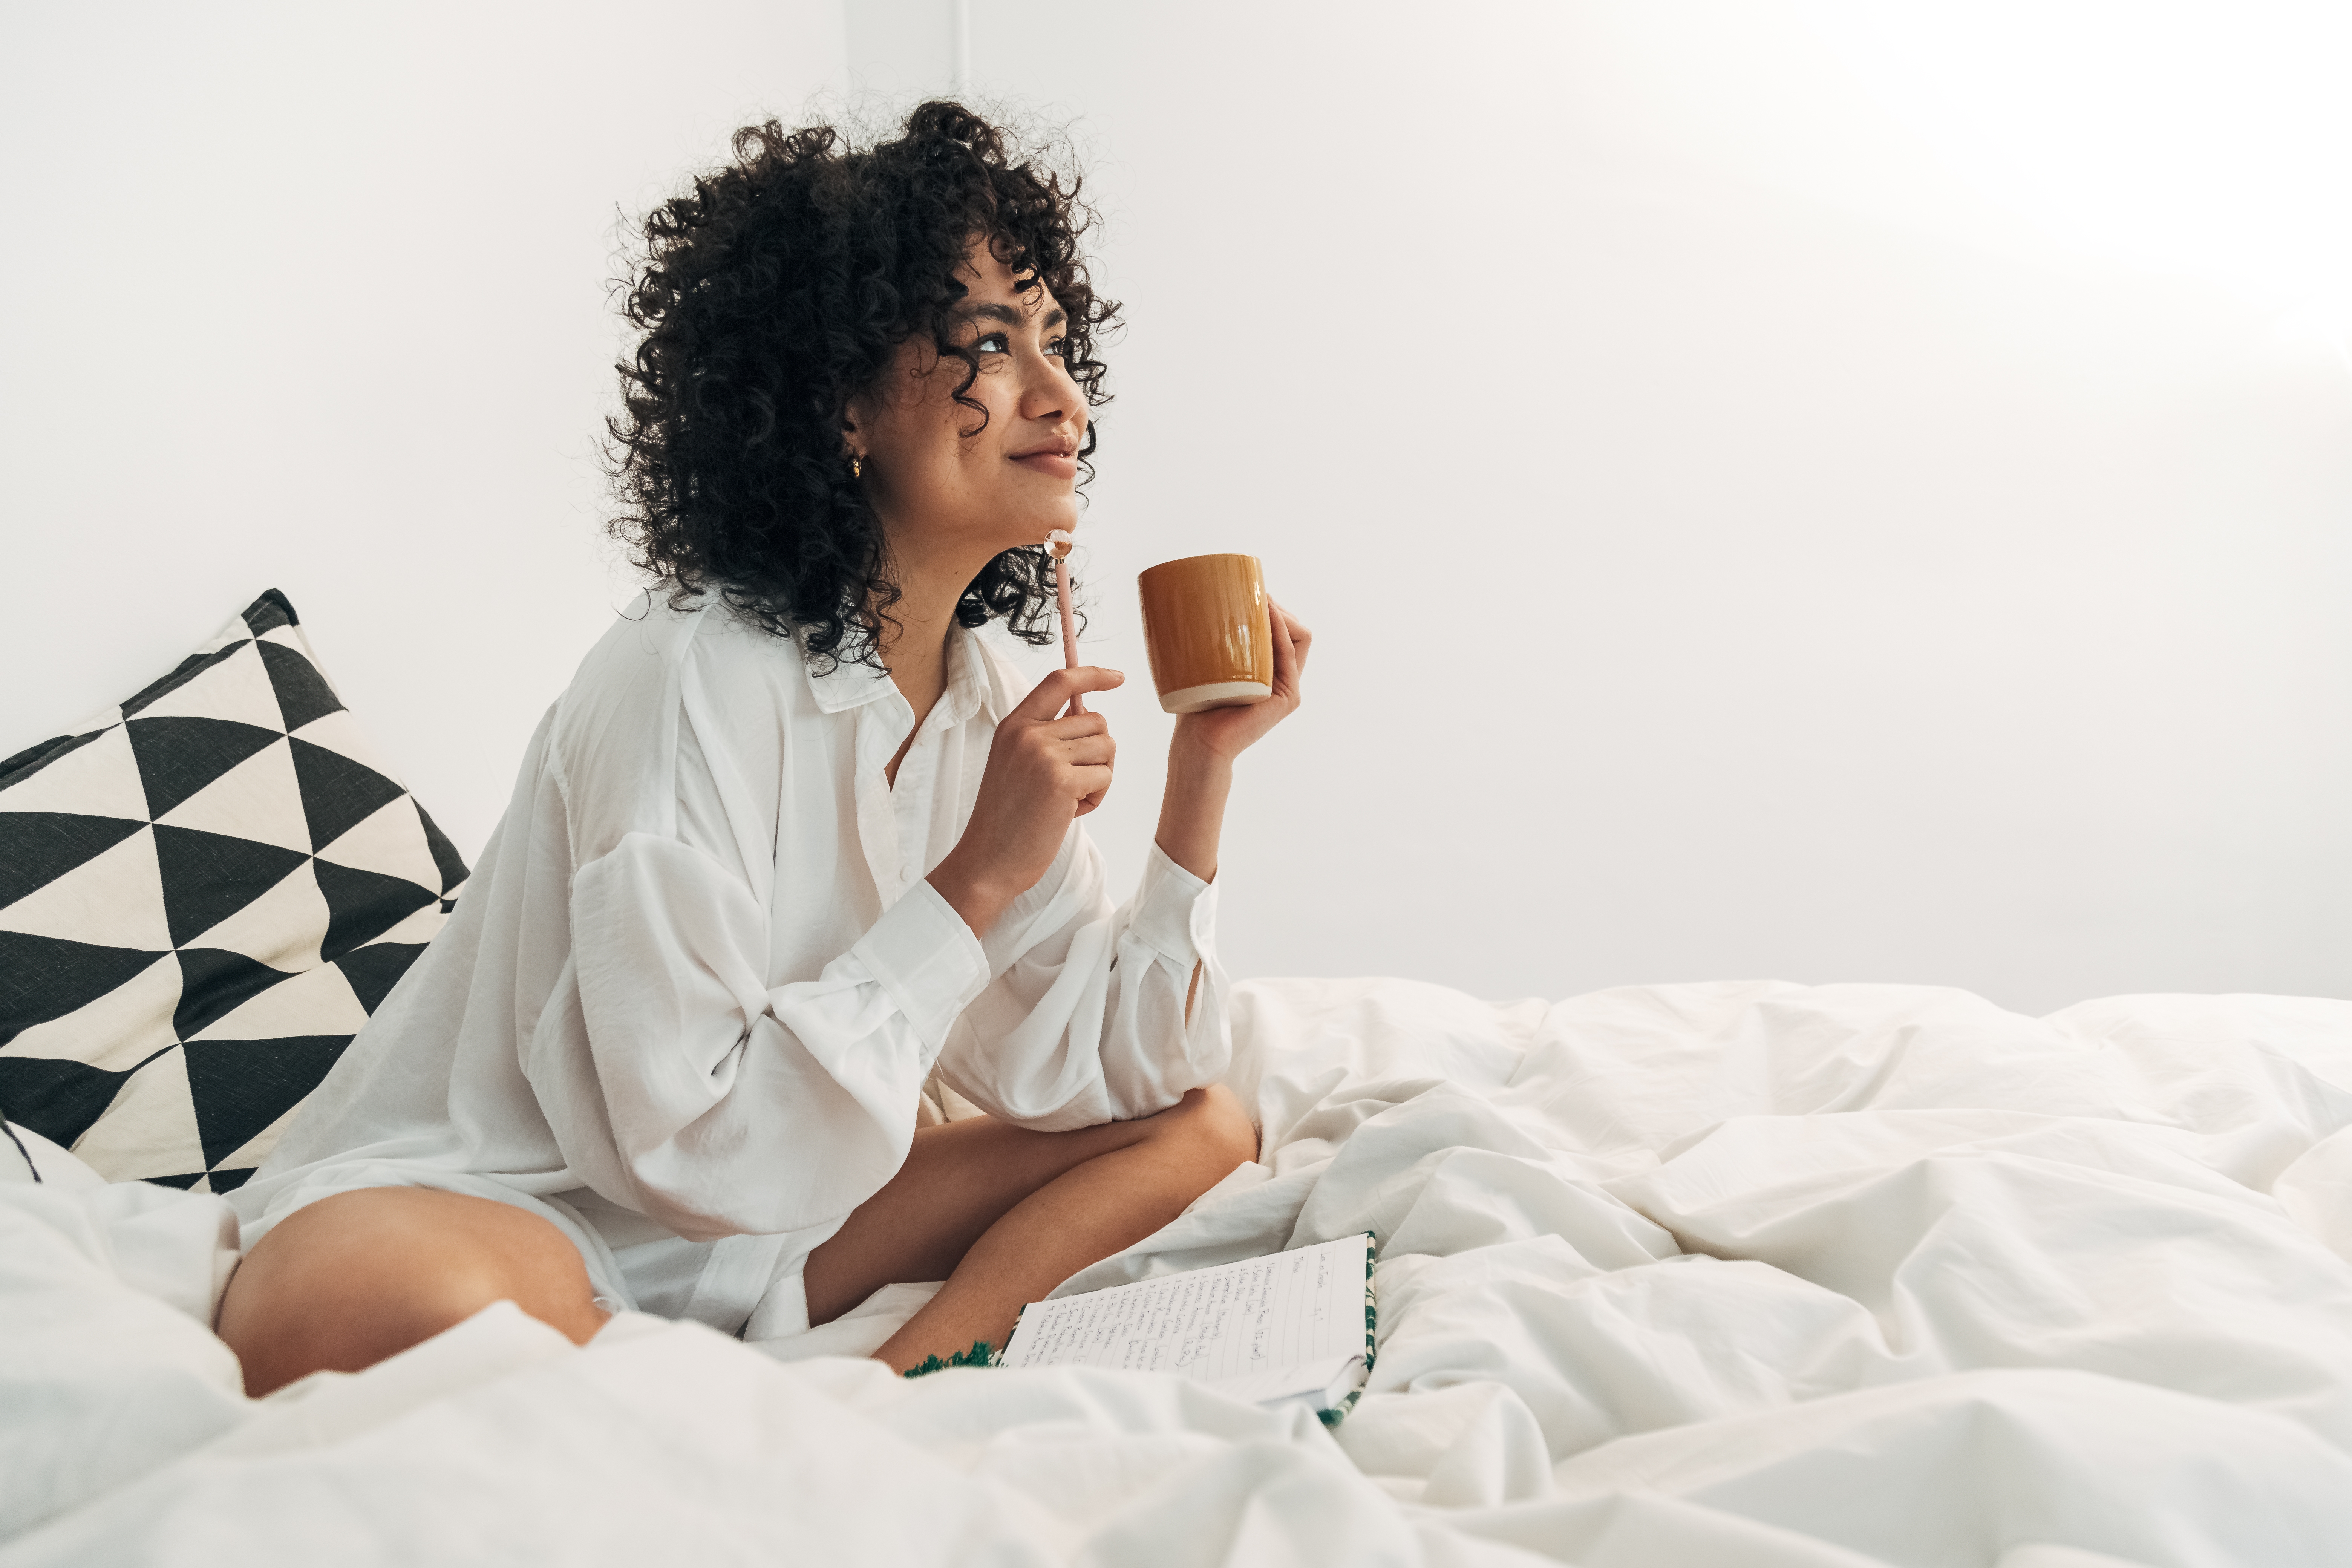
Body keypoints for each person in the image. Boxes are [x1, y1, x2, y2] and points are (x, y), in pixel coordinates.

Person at [217, 103, 1308, 1395]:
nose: (1060, 396)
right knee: (355, 1311)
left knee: (1205, 1121)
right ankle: (651, 1392)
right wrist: (973, 883)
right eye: (990, 345)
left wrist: (1204, 769)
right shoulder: (688, 670)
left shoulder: (986, 698)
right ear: (843, 402)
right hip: (531, 1208)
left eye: (1056, 342)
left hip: (770, 1237)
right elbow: (678, 1140)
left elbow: (1094, 1066)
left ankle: (890, 1389)